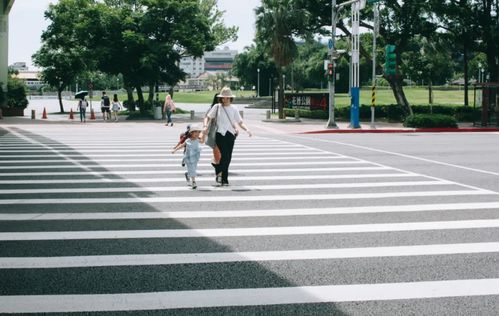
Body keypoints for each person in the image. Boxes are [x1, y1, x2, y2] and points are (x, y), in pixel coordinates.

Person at [203, 87, 252, 186]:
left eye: (227, 98)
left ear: (230, 98)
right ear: (220, 98)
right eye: (223, 98)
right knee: (225, 156)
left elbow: (240, 122)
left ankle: (223, 176)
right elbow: (208, 117)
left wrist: (247, 129)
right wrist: (205, 126)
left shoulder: (234, 108)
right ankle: (222, 176)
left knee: (228, 157)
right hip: (220, 134)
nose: (225, 99)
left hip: (230, 134)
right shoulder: (217, 107)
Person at [172, 124, 205, 189]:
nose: (197, 134)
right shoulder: (188, 140)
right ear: (191, 133)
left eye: (198, 132)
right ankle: (193, 182)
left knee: (193, 169)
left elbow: (203, 141)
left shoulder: (197, 140)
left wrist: (204, 135)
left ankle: (187, 174)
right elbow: (181, 145)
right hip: (188, 158)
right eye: (195, 132)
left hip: (195, 158)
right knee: (192, 169)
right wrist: (175, 150)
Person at [205, 93, 222, 182]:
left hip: (223, 133)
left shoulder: (227, 108)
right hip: (214, 132)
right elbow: (206, 119)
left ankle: (216, 163)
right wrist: (204, 129)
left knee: (220, 153)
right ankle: (219, 172)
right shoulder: (213, 108)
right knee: (217, 151)